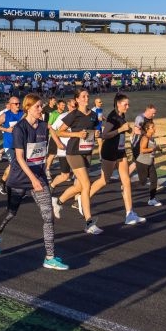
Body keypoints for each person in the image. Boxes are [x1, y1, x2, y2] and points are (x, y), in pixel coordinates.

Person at [0, 94, 67, 271]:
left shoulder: (43, 125)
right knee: (11, 212)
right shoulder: (20, 129)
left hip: (38, 176)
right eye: (37, 106)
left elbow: (51, 128)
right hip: (20, 177)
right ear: (28, 108)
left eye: (41, 106)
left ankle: (50, 257)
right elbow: (20, 158)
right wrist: (33, 179)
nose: (41, 109)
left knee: (48, 216)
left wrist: (59, 143)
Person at [50, 89, 102, 235]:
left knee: (79, 186)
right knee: (86, 184)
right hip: (73, 152)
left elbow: (96, 131)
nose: (86, 98)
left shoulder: (93, 115)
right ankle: (89, 222)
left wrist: (97, 133)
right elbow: (59, 132)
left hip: (87, 152)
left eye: (87, 96)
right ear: (77, 99)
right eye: (83, 96)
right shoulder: (73, 114)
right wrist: (77, 134)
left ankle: (58, 201)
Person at [90, 93, 145, 225]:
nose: (128, 106)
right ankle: (84, 198)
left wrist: (129, 130)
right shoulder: (113, 117)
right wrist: (121, 129)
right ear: (118, 104)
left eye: (128, 104)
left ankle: (129, 214)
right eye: (126, 104)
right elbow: (104, 135)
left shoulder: (121, 115)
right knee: (104, 180)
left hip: (120, 151)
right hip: (109, 152)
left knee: (126, 181)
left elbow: (122, 130)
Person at [0, 96, 24, 193]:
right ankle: (15, 187)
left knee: (18, 166)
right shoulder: (5, 115)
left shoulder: (23, 113)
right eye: (16, 104)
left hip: (20, 144)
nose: (18, 105)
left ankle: (2, 181)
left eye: (19, 103)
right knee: (14, 166)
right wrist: (6, 129)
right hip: (9, 145)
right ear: (10, 105)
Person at [136, 119, 161, 206]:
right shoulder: (145, 138)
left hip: (150, 163)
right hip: (142, 163)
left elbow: (151, 151)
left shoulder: (152, 138)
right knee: (142, 182)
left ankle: (152, 199)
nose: (154, 128)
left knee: (154, 180)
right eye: (152, 127)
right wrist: (154, 148)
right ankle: (126, 186)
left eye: (154, 127)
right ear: (147, 129)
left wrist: (156, 150)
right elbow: (142, 150)